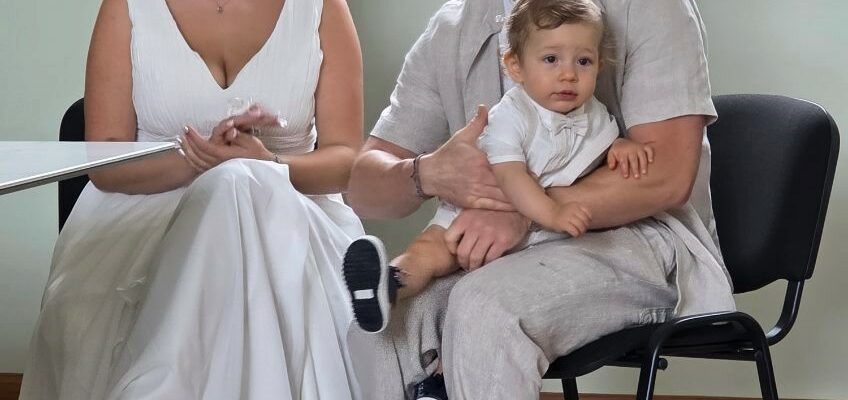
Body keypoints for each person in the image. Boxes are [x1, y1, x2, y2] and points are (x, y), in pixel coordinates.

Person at [344, 0, 737, 398]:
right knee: (379, 330)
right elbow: (361, 189)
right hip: (500, 250)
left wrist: (527, 211)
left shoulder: (649, 8)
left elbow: (667, 175)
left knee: (485, 308)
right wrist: (426, 173)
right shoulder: (452, 26)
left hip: (639, 238)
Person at [20, 0, 365, 398]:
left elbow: (347, 160)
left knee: (236, 184)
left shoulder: (322, 7)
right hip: (152, 207)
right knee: (230, 184)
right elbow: (104, 163)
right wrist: (197, 161)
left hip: (292, 212)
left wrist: (269, 165)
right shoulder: (126, 6)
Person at [341, 0, 656, 335]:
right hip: (479, 211)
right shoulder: (510, 117)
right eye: (551, 60)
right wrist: (551, 213)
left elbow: (597, 144)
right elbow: (511, 175)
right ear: (515, 67)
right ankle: (389, 282)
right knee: (431, 252)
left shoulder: (590, 112)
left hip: (543, 239)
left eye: (583, 61)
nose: (569, 74)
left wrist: (620, 147)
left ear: (599, 66)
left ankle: (413, 323)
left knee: (483, 306)